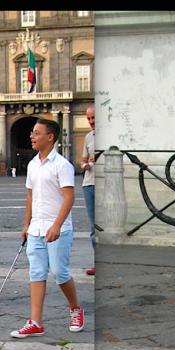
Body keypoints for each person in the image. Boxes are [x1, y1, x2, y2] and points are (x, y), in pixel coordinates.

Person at [11, 117, 84, 338]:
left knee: (59, 272)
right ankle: (35, 321)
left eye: (36, 133)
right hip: (36, 229)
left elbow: (69, 197)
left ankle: (75, 309)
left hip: (57, 229)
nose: (31, 136)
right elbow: (30, 196)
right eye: (32, 133)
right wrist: (26, 224)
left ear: (50, 137)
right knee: (36, 272)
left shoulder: (63, 165)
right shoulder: (33, 165)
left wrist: (57, 225)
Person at [80, 106, 96, 276]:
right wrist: (85, 164)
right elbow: (83, 160)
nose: (91, 121)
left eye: (94, 118)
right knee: (94, 227)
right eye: (89, 118)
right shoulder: (88, 137)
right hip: (89, 184)